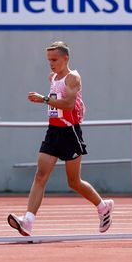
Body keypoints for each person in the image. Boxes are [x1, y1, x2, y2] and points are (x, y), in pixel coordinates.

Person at [7, 41, 114, 236]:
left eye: (54, 59)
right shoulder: (54, 76)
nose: (51, 64)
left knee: (73, 182)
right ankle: (28, 221)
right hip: (53, 131)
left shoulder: (73, 78)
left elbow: (69, 105)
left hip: (70, 132)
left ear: (66, 58)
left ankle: (102, 206)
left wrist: (44, 99)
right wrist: (46, 98)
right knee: (40, 175)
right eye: (49, 60)